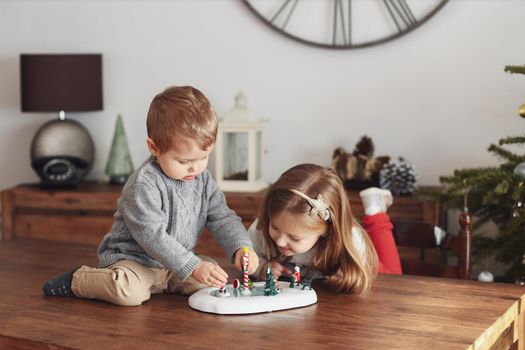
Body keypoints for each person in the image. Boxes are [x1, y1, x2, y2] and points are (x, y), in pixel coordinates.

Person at [42, 85, 258, 306]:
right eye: (183, 161)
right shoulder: (143, 184)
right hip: (135, 261)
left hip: (172, 264)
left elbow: (222, 217)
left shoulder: (203, 180)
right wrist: (192, 266)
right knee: (128, 293)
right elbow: (152, 236)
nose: (195, 168)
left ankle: (164, 283)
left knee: (213, 283)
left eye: (203, 157)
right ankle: (78, 279)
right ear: (154, 148)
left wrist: (241, 246)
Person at [247, 163, 401, 294]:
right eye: (274, 226)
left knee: (393, 275)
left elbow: (361, 280)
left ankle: (375, 210)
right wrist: (260, 267)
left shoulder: (352, 241)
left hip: (370, 265)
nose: (280, 241)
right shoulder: (261, 228)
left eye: (294, 237)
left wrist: (343, 277)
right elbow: (245, 257)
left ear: (325, 230)